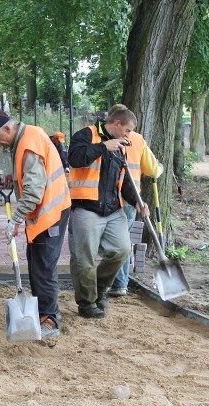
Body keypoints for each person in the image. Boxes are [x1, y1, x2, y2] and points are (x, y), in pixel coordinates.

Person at [0, 110, 71, 338]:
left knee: (43, 267)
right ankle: (43, 313)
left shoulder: (28, 144)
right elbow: (31, 178)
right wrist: (15, 179)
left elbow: (33, 191)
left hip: (50, 213)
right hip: (45, 213)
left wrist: (16, 219)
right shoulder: (26, 137)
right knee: (37, 264)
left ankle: (50, 319)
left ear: (8, 129)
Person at [67, 108, 149, 318]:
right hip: (86, 208)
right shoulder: (86, 135)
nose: (128, 135)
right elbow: (75, 159)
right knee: (84, 260)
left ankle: (100, 290)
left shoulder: (120, 146)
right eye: (128, 130)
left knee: (122, 251)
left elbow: (123, 181)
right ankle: (86, 304)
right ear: (117, 123)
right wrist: (103, 146)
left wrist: (138, 202)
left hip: (113, 209)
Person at [107, 104, 162, 297]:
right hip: (130, 199)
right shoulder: (138, 139)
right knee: (122, 240)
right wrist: (160, 168)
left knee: (116, 242)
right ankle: (118, 282)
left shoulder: (108, 138)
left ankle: (117, 282)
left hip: (116, 197)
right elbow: (153, 169)